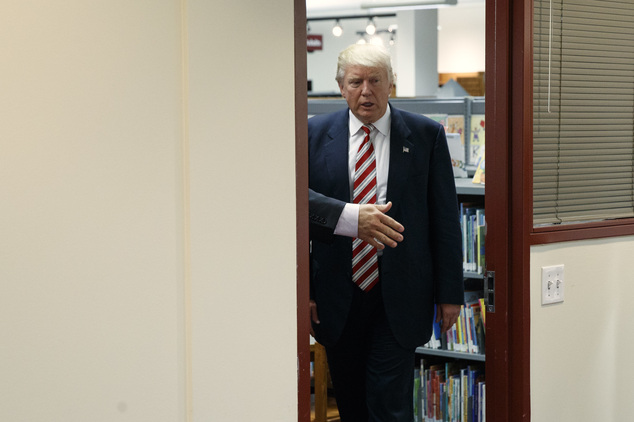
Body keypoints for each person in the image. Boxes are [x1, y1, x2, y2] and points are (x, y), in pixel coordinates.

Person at [308, 43, 464, 422]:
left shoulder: (426, 135)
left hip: (400, 294)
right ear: (340, 86)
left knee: (389, 406)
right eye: (356, 81)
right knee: (351, 402)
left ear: (391, 84)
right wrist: (306, 291)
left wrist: (450, 294)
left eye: (376, 80)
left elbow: (444, 219)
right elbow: (296, 204)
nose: (366, 91)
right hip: (336, 292)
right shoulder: (311, 133)